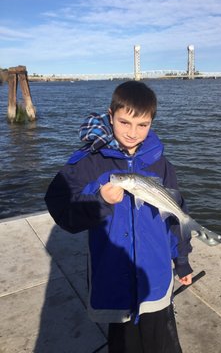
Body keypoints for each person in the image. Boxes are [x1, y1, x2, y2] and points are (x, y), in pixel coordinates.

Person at [45, 81, 193, 353]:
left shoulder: (162, 163)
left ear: (151, 123)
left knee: (162, 343)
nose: (133, 133)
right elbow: (62, 210)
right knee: (123, 343)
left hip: (155, 277)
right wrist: (99, 201)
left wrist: (181, 261)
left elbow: (174, 219)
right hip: (112, 278)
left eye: (143, 125)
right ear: (110, 115)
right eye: (124, 122)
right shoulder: (88, 162)